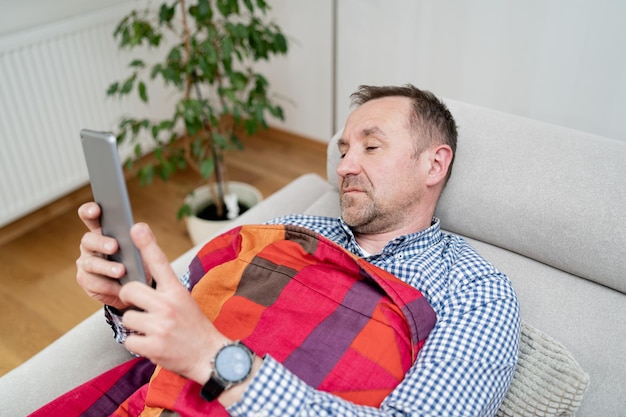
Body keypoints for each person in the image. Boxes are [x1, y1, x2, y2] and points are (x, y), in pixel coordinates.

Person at [76, 84, 520, 416]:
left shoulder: (475, 289)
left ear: (434, 164)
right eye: (344, 149)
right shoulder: (285, 231)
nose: (344, 165)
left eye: (371, 146)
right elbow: (179, 326)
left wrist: (216, 361)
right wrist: (128, 299)